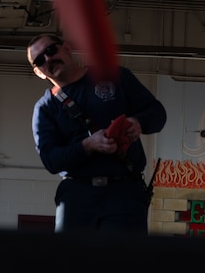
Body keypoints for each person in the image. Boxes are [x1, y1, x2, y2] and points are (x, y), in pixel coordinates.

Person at [27, 34, 166, 233]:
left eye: (50, 50)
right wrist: (88, 145)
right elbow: (51, 160)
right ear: (38, 72)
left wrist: (138, 122)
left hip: (124, 192)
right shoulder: (45, 108)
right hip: (77, 197)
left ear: (67, 47)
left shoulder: (116, 77)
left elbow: (158, 114)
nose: (48, 59)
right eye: (39, 60)